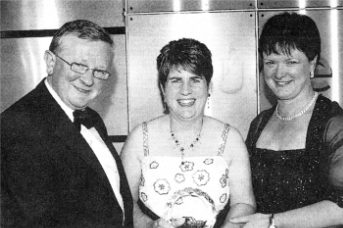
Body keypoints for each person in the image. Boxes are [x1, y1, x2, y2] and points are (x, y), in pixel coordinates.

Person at [1, 20, 133, 227]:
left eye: (99, 71)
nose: (88, 80)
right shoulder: (17, 127)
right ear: (51, 62)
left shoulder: (93, 119)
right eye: (79, 66)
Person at [120, 38, 256, 228]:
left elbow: (244, 203)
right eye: (176, 81)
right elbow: (123, 202)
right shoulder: (139, 139)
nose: (186, 90)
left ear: (208, 87)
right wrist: (148, 225)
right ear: (163, 89)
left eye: (195, 80)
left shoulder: (230, 139)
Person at [231, 12, 343, 228]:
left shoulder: (334, 124)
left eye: (291, 61)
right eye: (271, 62)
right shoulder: (259, 124)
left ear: (312, 64)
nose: (279, 73)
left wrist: (274, 222)